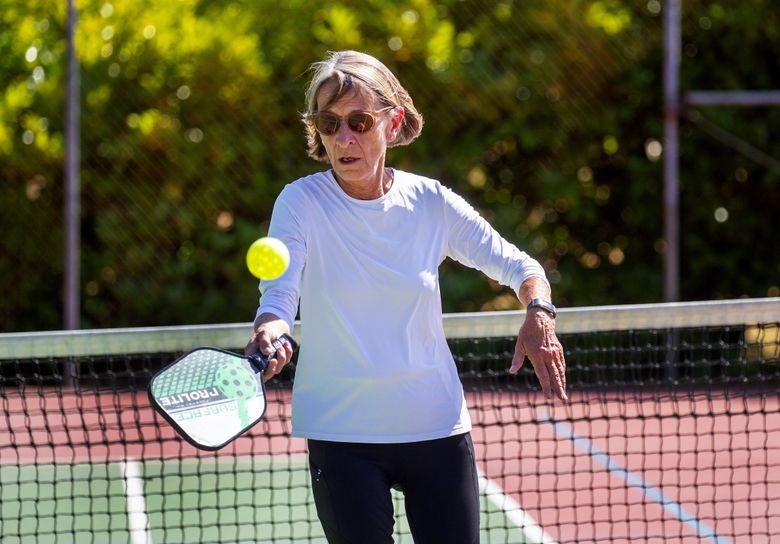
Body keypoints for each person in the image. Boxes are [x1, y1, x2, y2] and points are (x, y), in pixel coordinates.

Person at [245, 50, 567, 544]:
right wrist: (271, 327)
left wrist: (538, 312)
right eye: (329, 124)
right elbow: (281, 293)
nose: (344, 138)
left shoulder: (430, 202)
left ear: (392, 123)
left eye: (358, 121)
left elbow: (522, 267)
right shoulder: (300, 201)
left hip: (435, 426)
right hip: (341, 432)